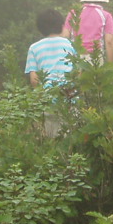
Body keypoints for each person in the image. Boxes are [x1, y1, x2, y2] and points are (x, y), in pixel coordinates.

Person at [25, 9, 77, 137]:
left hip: (48, 100)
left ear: (40, 28)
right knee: (71, 137)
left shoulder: (34, 48)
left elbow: (34, 80)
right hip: (70, 97)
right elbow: (78, 71)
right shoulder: (70, 44)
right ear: (61, 26)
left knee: (52, 137)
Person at [63, 0, 113, 64]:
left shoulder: (74, 13)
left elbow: (64, 36)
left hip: (75, 55)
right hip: (95, 57)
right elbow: (109, 41)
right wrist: (110, 64)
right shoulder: (106, 16)